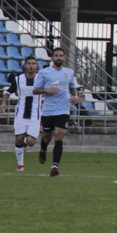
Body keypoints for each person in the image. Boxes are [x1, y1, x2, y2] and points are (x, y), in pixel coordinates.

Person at [33, 47, 81, 178]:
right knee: (47, 136)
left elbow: (72, 87)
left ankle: (55, 166)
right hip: (48, 110)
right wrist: (47, 90)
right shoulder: (44, 72)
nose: (59, 58)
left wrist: (75, 96)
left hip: (63, 108)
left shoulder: (69, 72)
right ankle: (43, 149)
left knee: (60, 135)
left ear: (64, 58)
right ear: (52, 58)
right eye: (56, 55)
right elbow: (35, 90)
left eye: (61, 55)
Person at [2, 55, 42, 171]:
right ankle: (20, 165)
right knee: (18, 139)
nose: (31, 66)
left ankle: (26, 139)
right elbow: (7, 92)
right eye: (29, 64)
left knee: (31, 142)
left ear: (36, 66)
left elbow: (48, 92)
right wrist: (4, 103)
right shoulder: (18, 79)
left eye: (33, 64)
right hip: (21, 113)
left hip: (35, 114)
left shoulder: (41, 79)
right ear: (25, 66)